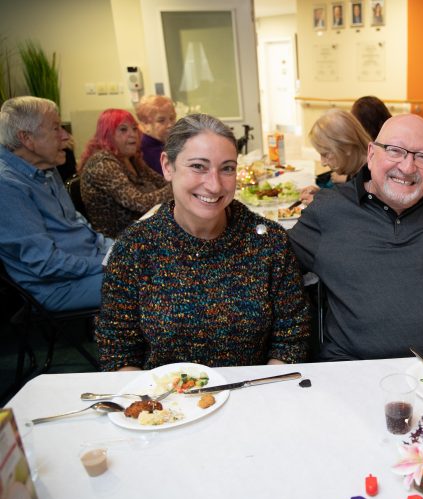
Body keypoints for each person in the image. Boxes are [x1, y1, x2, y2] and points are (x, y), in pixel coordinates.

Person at [96, 113, 310, 371]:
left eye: (227, 168)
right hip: (167, 402)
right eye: (198, 166)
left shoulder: (269, 242)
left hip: (254, 395)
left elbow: (292, 337)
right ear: (167, 166)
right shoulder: (135, 247)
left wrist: (262, 395)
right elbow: (117, 350)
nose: (214, 185)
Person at [289, 114, 423, 360]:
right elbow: (272, 264)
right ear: (371, 153)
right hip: (353, 368)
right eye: (395, 151)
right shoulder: (328, 211)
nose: (407, 167)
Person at [0, 96, 112, 311]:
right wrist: (109, 261)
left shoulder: (46, 166)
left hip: (87, 264)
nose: (66, 136)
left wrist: (114, 249)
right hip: (58, 287)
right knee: (164, 283)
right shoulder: (7, 184)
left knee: (170, 266)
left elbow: (76, 224)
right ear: (26, 138)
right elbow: (47, 265)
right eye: (56, 128)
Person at [79, 109, 172, 238]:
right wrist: (178, 185)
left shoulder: (131, 159)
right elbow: (139, 203)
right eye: (123, 130)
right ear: (107, 134)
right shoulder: (102, 162)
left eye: (134, 129)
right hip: (121, 240)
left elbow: (162, 182)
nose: (132, 134)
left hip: (146, 228)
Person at [299, 109, 370, 205]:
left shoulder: (371, 179)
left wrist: (321, 204)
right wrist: (322, 195)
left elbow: (356, 214)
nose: (323, 163)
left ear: (346, 146)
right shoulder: (359, 170)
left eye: (325, 154)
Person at [135, 95, 176, 174]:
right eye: (161, 120)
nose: (170, 124)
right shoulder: (148, 152)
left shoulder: (164, 143)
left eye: (171, 118)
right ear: (145, 124)